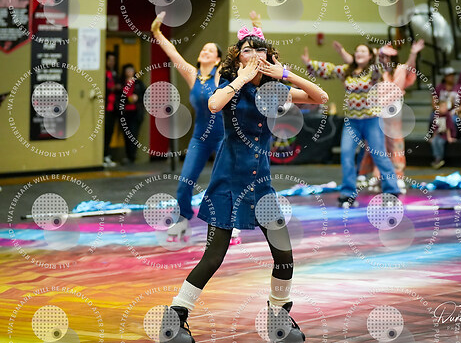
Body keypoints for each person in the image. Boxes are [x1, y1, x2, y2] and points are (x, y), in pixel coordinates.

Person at [162, 27, 328, 342]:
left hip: (261, 187)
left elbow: (321, 98)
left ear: (268, 56)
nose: (253, 54)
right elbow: (214, 104)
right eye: (246, 50)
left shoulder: (275, 90)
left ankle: (278, 317)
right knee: (213, 257)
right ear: (238, 58)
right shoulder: (230, 84)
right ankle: (174, 318)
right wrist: (240, 79)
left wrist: (285, 74)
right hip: (227, 184)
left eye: (259, 49)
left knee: (284, 255)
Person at [151, 12, 225, 243]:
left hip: (223, 138)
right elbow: (173, 54)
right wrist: (157, 33)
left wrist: (255, 29)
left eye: (210, 50)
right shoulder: (193, 75)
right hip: (200, 139)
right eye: (203, 49)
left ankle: (229, 225)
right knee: (185, 183)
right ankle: (182, 221)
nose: (205, 51)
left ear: (218, 60)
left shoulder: (220, 76)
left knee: (223, 182)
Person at [303, 44, 401, 207]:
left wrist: (381, 53)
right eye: (357, 51)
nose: (359, 53)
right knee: (346, 155)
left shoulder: (373, 71)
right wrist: (309, 63)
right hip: (352, 122)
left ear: (370, 56)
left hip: (371, 120)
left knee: (379, 155)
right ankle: (348, 193)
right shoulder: (347, 70)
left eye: (363, 51)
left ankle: (391, 191)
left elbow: (384, 66)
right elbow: (329, 69)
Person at [355, 39, 425, 194]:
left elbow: (409, 69)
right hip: (378, 110)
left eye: (388, 57)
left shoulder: (399, 69)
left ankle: (398, 176)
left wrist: (413, 53)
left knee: (395, 142)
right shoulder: (379, 72)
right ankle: (378, 176)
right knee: (376, 143)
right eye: (383, 57)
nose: (385, 59)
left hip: (393, 110)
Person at [119, 64, 146, 165]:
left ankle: (132, 156)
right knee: (126, 134)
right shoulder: (121, 83)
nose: (129, 72)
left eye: (131, 70)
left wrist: (137, 98)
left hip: (136, 112)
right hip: (125, 112)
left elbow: (145, 95)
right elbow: (118, 97)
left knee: (133, 134)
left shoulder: (138, 83)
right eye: (127, 70)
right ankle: (128, 155)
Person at [104, 51, 121, 167]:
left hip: (113, 108)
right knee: (104, 133)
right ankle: (102, 155)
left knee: (110, 132)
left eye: (113, 60)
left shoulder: (115, 74)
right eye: (110, 60)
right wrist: (112, 88)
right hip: (105, 108)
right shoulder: (103, 73)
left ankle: (107, 155)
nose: (112, 62)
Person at [429, 101, 456, 169]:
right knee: (434, 142)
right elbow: (435, 128)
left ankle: (439, 158)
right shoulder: (436, 115)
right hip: (439, 134)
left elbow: (448, 128)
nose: (444, 109)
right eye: (442, 107)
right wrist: (433, 137)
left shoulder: (447, 115)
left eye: (445, 107)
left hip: (446, 134)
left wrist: (449, 137)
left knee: (440, 142)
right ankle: (436, 157)